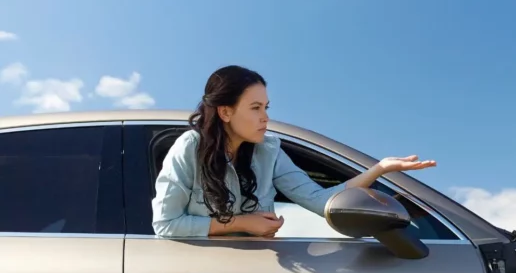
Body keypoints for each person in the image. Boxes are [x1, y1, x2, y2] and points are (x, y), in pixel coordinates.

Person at [152, 65, 435, 238]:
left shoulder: (269, 151)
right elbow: (166, 224)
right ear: (225, 112)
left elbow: (321, 201)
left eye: (266, 107)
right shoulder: (190, 147)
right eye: (255, 108)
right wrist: (241, 223)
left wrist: (380, 169)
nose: (265, 117)